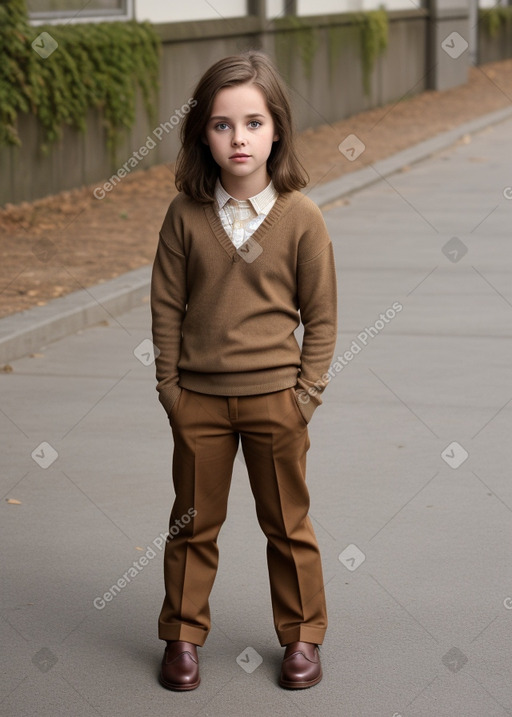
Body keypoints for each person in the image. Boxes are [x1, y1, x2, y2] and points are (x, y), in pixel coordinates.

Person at [150, 50, 337, 691]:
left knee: (287, 524)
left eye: (254, 123)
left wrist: (304, 396)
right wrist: (171, 390)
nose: (239, 138)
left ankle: (303, 636)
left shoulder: (301, 218)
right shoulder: (184, 215)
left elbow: (322, 316)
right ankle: (181, 635)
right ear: (202, 132)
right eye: (223, 124)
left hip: (276, 402)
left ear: (277, 128)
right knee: (192, 523)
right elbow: (166, 307)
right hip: (197, 399)